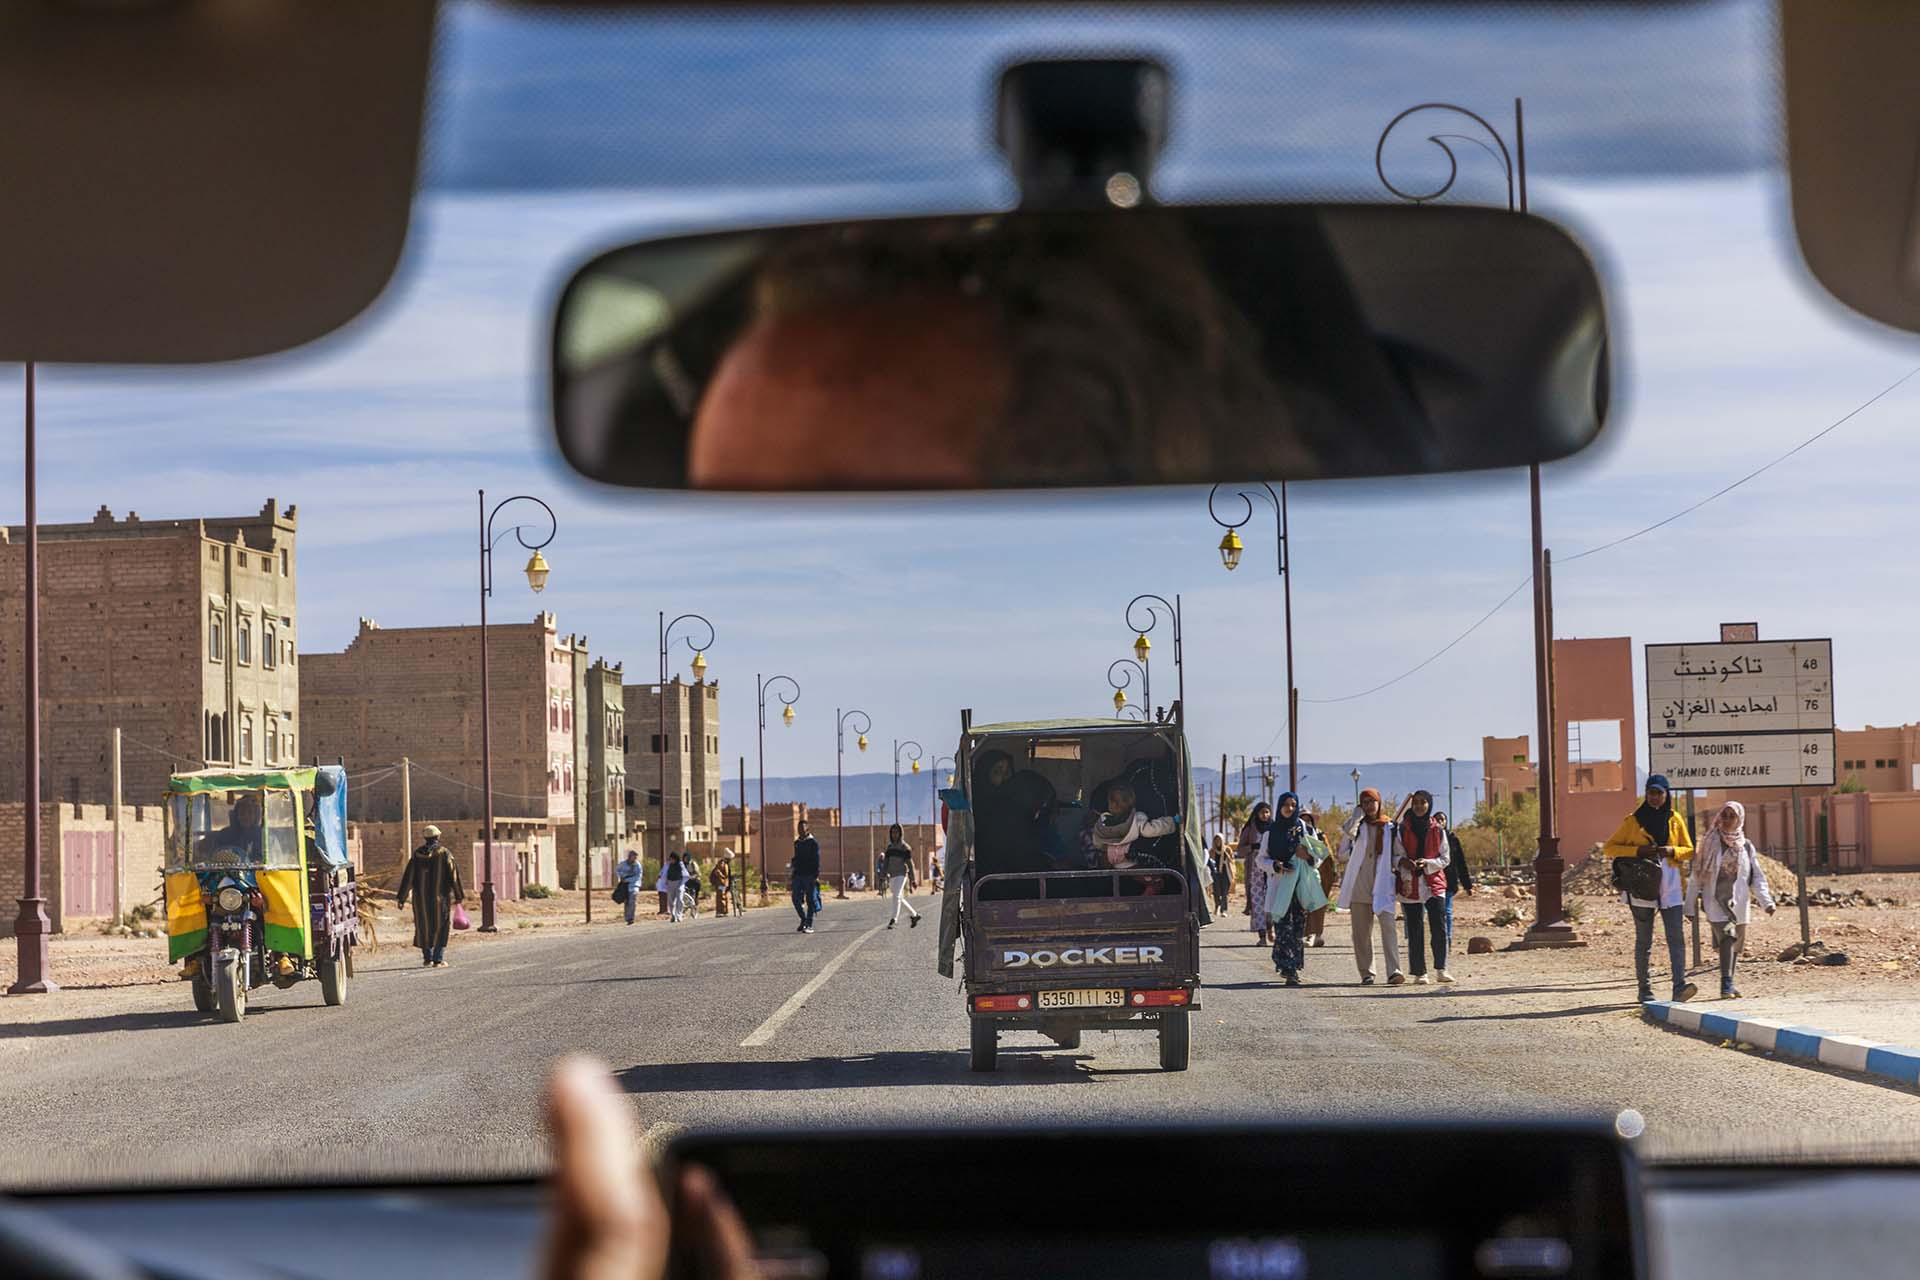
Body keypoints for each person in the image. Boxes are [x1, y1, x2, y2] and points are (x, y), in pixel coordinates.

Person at [1603, 774, 1698, 1004]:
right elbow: (1610, 848)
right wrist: (1638, 851)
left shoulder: (1675, 819)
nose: (1655, 798)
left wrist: (1672, 851)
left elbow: (1689, 849)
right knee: (1644, 940)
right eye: (1651, 793)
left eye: (1659, 793)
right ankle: (1644, 989)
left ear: (1667, 795)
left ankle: (1679, 987)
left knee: (1676, 937)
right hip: (1643, 883)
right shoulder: (1633, 821)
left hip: (1671, 885)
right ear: (1646, 794)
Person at [1686, 800, 1775, 999]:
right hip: (1715, 901)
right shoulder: (1710, 843)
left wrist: (1766, 901)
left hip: (1739, 903)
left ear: (1739, 819)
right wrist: (1689, 906)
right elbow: (1696, 876)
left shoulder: (1746, 847)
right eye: (1724, 816)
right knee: (1728, 936)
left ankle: (1730, 982)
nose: (1727, 820)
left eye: (1731, 816)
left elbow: (1756, 876)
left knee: (1735, 944)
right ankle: (1726, 984)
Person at [1258, 792, 1330, 986]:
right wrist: (1275, 864)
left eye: (1293, 804)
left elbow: (1321, 853)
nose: (1289, 808)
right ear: (1279, 806)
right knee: (1283, 927)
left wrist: (1308, 856)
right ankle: (1288, 967)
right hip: (1281, 884)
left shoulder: (1305, 829)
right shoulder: (1271, 832)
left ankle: (1291, 966)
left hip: (1300, 886)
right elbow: (1260, 860)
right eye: (1285, 805)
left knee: (1297, 928)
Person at [1336, 789, 1404, 986]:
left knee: (1389, 928)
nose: (1368, 806)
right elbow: (1342, 854)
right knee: (1361, 932)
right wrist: (1356, 819)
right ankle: (1367, 972)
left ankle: (1394, 971)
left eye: (1372, 801)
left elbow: (1398, 853)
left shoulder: (1390, 827)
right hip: (1359, 885)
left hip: (1383, 885)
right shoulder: (1356, 828)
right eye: (1364, 802)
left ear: (1379, 802)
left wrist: (1402, 865)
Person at [1393, 790, 1453, 986]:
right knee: (1415, 929)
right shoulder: (1402, 829)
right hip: (1410, 884)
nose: (1419, 806)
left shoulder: (1438, 830)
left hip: (1434, 885)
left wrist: (1427, 863)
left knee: (1439, 927)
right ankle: (1420, 972)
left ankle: (1441, 969)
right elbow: (1395, 855)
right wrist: (1404, 862)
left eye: (1423, 802)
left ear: (1430, 805)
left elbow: (1445, 858)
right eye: (1416, 802)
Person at [395, 824, 464, 968]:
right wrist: (458, 895)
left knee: (423, 927)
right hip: (440, 900)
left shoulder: (416, 855)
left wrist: (401, 898)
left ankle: (428, 959)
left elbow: (408, 877)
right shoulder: (445, 853)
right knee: (441, 926)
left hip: (420, 901)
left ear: (425, 838)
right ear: (438, 837)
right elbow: (454, 876)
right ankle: (438, 959)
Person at [1238, 801, 1273, 947]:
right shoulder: (1250, 829)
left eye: (1267, 812)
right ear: (1257, 814)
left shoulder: (1275, 827)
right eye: (1262, 812)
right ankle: (1262, 936)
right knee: (1258, 904)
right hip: (1255, 872)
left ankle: (1271, 930)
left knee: (1272, 901)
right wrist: (1252, 847)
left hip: (1272, 870)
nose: (1264, 815)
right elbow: (1240, 849)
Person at [1301, 811, 1339, 947]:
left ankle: (1316, 934)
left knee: (1319, 906)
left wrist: (1333, 873)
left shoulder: (1318, 835)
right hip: (1303, 876)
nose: (1306, 823)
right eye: (1303, 820)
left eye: (1308, 820)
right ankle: (1306, 934)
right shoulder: (1296, 835)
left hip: (1322, 875)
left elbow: (1326, 856)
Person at [1435, 810, 1472, 943]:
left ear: (1446, 822)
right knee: (1436, 912)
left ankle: (1447, 938)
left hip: (1449, 880)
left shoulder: (1453, 839)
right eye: (1437, 819)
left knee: (1447, 911)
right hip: (1434, 881)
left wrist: (1467, 885)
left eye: (1442, 819)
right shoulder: (1430, 838)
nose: (1440, 822)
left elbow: (1461, 863)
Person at [882, 823, 922, 930]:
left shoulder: (905, 848)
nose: (895, 835)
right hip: (892, 875)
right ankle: (914, 915)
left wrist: (913, 879)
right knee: (898, 897)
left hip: (902, 874)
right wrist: (883, 874)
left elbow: (910, 864)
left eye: (897, 832)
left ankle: (894, 919)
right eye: (893, 833)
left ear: (900, 834)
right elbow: (886, 862)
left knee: (896, 896)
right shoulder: (889, 848)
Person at [791, 820, 821, 933]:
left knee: (810, 900)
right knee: (795, 898)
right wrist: (793, 866)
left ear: (807, 829)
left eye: (802, 828)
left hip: (810, 875)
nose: (800, 831)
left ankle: (809, 924)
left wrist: (816, 875)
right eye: (798, 829)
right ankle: (803, 919)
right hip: (798, 875)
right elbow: (796, 858)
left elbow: (817, 860)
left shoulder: (813, 843)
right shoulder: (797, 843)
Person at [1207, 833, 1234, 917]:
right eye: (1216, 840)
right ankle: (1217, 907)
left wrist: (1226, 855)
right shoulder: (1212, 851)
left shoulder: (1227, 850)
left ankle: (1224, 910)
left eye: (1219, 840)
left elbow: (1232, 861)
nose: (1218, 842)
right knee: (1216, 892)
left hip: (1225, 874)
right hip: (1215, 874)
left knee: (1225, 892)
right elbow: (1209, 862)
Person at [614, 849, 643, 926]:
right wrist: (621, 876)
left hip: (634, 885)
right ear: (630, 856)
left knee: (632, 900)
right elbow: (617, 870)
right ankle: (627, 917)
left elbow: (638, 876)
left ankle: (631, 918)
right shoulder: (623, 864)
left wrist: (628, 880)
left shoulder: (637, 865)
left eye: (636, 857)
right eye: (633, 856)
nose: (635, 858)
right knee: (627, 901)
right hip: (624, 885)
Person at [665, 851, 688, 923]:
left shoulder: (680, 864)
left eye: (672, 859)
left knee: (680, 899)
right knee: (671, 901)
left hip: (679, 883)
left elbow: (684, 873)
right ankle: (673, 915)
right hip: (670, 883)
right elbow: (664, 872)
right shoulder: (668, 864)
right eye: (670, 859)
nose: (671, 860)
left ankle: (679, 915)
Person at [709, 852, 732, 917]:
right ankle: (720, 911)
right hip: (721, 883)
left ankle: (724, 911)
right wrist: (723, 878)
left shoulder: (725, 863)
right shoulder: (722, 863)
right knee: (721, 896)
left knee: (723, 896)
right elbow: (718, 872)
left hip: (723, 883)